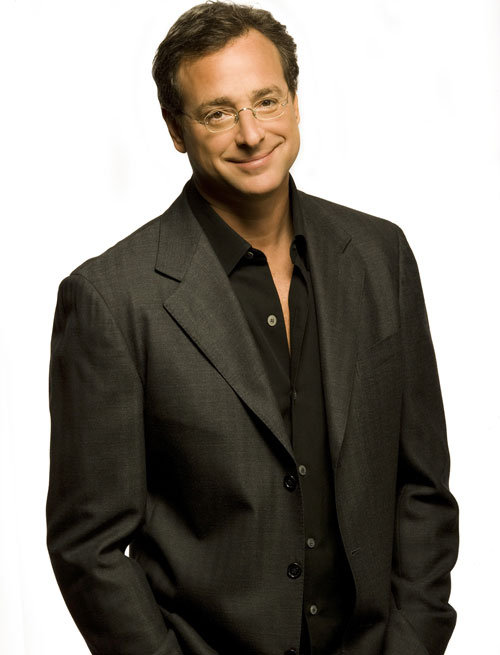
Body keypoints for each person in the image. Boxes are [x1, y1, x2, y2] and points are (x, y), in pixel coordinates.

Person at [46, 3, 459, 655]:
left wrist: (412, 642)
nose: (251, 132)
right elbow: (88, 546)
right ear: (176, 129)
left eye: (266, 101)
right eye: (218, 113)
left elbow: (423, 488)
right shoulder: (111, 300)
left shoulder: (381, 256)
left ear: (294, 101)